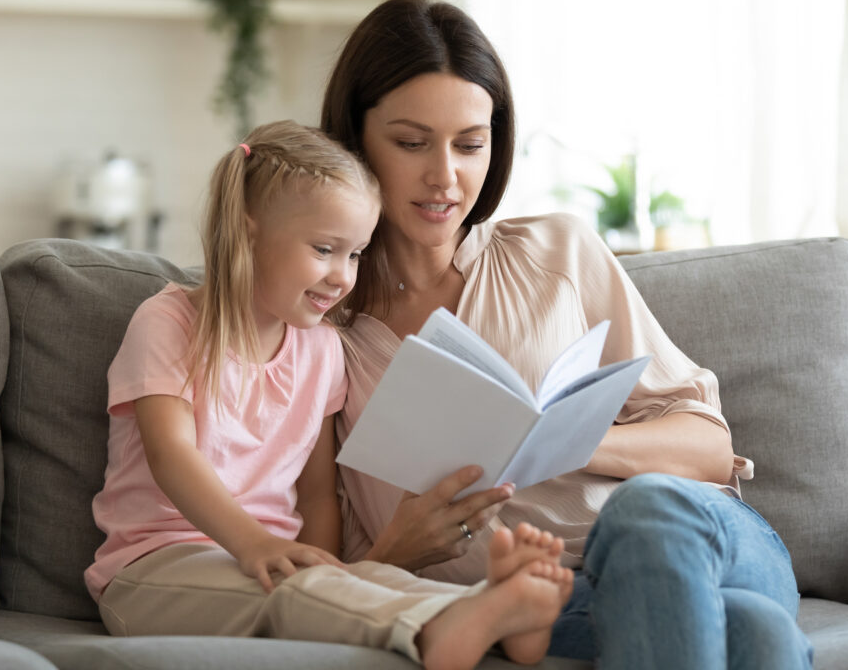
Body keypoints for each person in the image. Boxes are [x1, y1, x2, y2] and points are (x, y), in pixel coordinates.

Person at [321, 0, 814, 669]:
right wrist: (396, 551)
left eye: (471, 144)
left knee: (645, 512)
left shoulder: (556, 252)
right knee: (756, 635)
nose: (446, 176)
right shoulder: (321, 330)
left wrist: (570, 441)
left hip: (699, 539)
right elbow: (319, 572)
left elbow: (707, 446)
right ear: (356, 138)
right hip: (541, 603)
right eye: (411, 143)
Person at [83, 120, 574, 669]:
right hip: (155, 570)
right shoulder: (169, 322)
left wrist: (328, 563)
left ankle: (495, 615)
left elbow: (317, 496)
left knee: (363, 582)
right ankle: (446, 627)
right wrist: (255, 544)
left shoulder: (321, 350)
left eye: (357, 255)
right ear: (249, 235)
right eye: (324, 249)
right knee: (294, 594)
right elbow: (170, 454)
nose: (343, 277)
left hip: (271, 563)